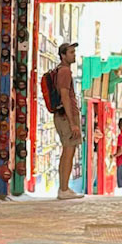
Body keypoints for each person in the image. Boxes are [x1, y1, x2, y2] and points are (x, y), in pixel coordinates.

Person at [51, 42, 82, 199]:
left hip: (63, 116)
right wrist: (72, 123)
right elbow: (65, 96)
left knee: (67, 151)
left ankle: (64, 187)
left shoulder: (60, 71)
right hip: (66, 116)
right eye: (71, 52)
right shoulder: (65, 72)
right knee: (69, 151)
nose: (74, 55)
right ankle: (64, 189)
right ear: (63, 55)